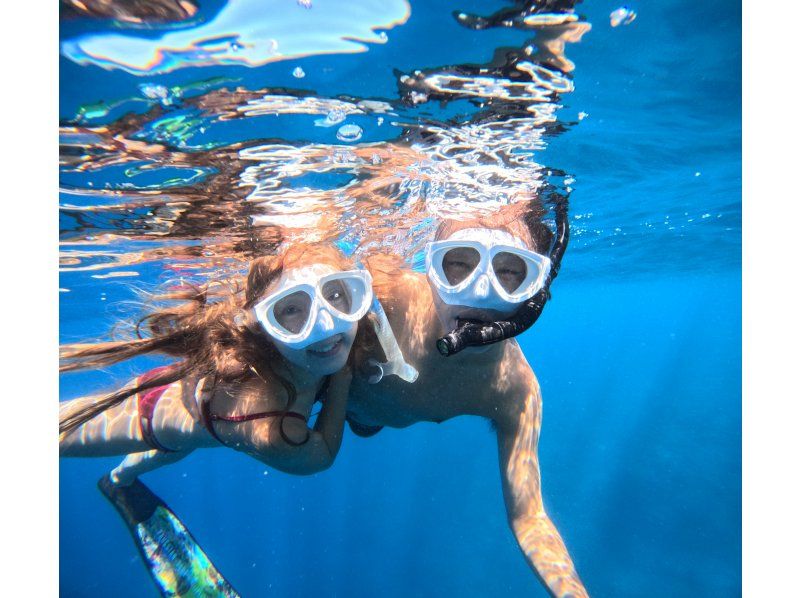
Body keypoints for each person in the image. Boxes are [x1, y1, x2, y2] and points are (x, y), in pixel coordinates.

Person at [344, 201, 589, 598]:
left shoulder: (515, 390)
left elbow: (530, 517)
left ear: (535, 294)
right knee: (358, 419)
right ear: (429, 272)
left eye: (511, 273)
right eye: (457, 264)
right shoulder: (386, 288)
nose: (481, 293)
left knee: (365, 424)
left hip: (373, 413)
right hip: (347, 403)